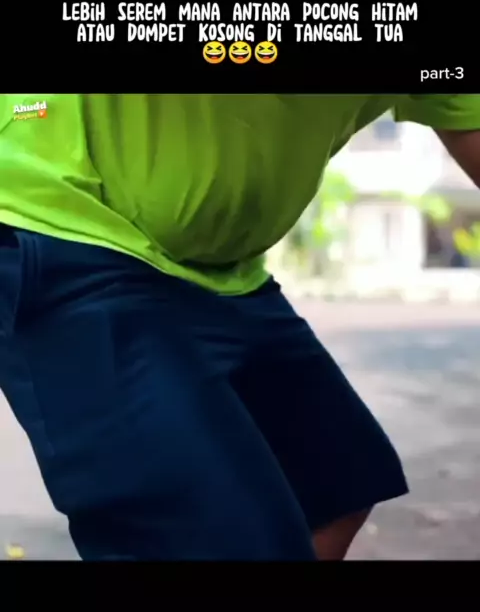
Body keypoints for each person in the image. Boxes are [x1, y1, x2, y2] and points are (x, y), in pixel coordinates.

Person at [1, 94, 479, 561]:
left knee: (334, 484)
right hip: (62, 218)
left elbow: (466, 124)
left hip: (220, 271)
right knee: (214, 535)